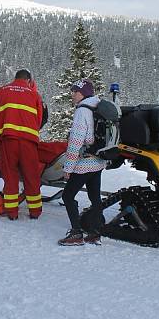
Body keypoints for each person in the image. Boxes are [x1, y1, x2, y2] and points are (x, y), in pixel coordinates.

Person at [58, 78, 107, 246]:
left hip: (85, 163)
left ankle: (76, 233)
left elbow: (76, 142)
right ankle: (95, 233)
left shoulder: (82, 111)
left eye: (75, 91)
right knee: (95, 197)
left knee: (68, 195)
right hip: (99, 161)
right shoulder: (97, 108)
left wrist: (68, 168)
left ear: (83, 93)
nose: (72, 94)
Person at [0, 69, 44, 220]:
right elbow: (39, 119)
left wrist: (0, 131)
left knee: (10, 174)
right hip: (29, 141)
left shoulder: (2, 91)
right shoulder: (34, 94)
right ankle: (35, 211)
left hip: (9, 139)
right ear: (28, 80)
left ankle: (12, 212)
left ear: (15, 78)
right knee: (31, 175)